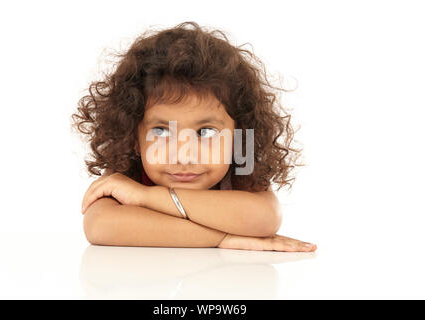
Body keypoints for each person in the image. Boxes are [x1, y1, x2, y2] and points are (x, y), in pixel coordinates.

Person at [71, 21, 317, 252]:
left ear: (238, 135)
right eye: (161, 131)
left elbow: (265, 218)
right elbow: (101, 226)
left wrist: (146, 197)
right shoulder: (129, 170)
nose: (184, 155)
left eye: (206, 132)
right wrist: (224, 237)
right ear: (133, 137)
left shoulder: (240, 168)